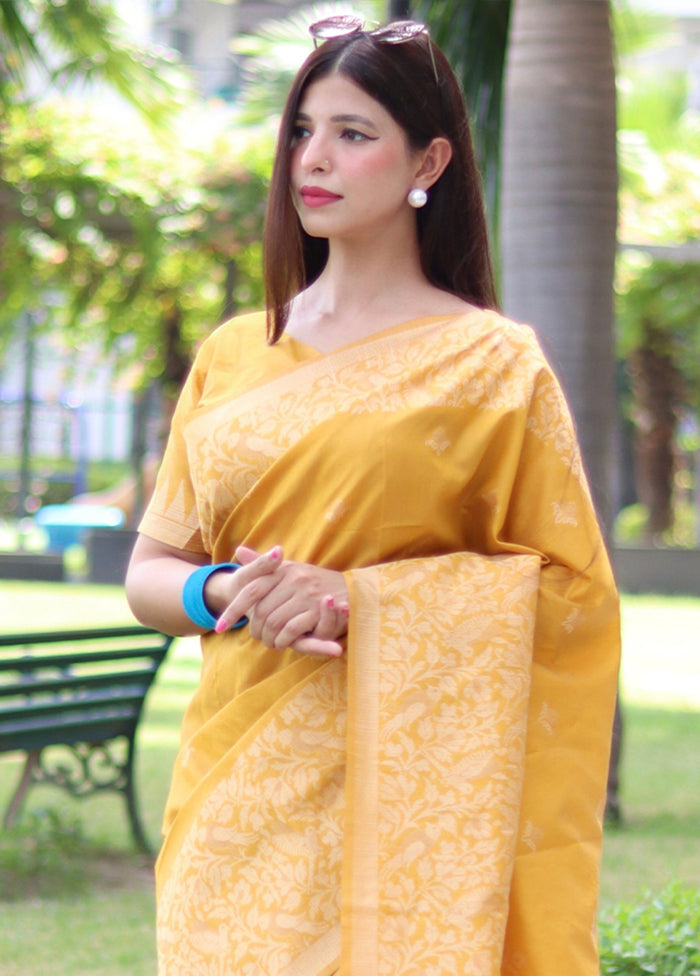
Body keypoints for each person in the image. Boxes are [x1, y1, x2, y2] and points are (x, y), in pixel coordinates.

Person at [125, 15, 620, 976]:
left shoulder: (492, 362)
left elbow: (572, 594)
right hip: (240, 779)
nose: (314, 158)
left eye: (354, 134)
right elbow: (151, 575)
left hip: (411, 791)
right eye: (303, 131)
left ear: (428, 157)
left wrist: (364, 601)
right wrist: (225, 592)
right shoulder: (235, 353)